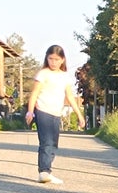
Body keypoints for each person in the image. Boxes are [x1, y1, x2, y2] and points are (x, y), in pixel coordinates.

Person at [24, 45, 86, 185]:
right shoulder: (43, 74)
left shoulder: (64, 77)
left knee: (53, 144)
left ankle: (47, 171)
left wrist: (79, 115)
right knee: (46, 142)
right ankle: (44, 171)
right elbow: (34, 94)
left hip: (56, 113)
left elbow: (70, 97)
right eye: (51, 58)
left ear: (62, 60)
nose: (53, 62)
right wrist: (30, 111)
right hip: (42, 111)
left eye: (57, 59)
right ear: (47, 58)